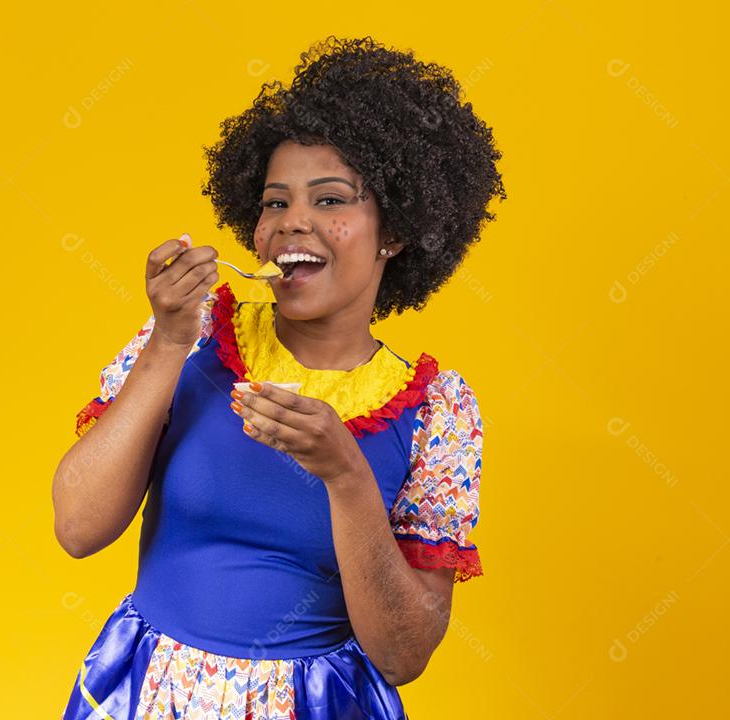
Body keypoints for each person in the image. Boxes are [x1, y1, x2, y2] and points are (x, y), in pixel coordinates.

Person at [53, 34, 505, 720]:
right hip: (147, 693)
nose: (293, 222)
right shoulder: (193, 334)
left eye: (330, 201)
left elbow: (403, 655)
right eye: (274, 202)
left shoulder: (436, 412)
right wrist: (169, 341)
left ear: (394, 232)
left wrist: (346, 474)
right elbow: (78, 528)